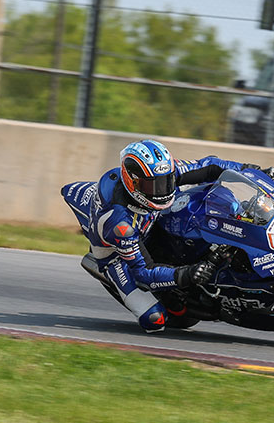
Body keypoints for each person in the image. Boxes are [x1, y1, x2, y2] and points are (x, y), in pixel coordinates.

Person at [61, 139, 262, 333]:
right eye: (154, 185)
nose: (163, 190)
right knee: (154, 320)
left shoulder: (161, 173)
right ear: (133, 182)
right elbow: (144, 273)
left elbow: (209, 166)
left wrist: (252, 172)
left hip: (151, 222)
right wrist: (188, 274)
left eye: (166, 181)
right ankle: (108, 272)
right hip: (116, 254)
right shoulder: (121, 224)